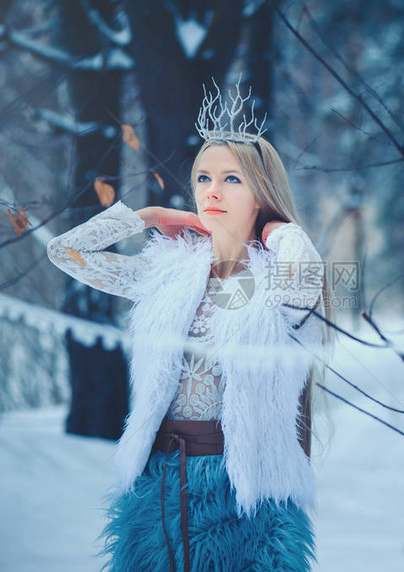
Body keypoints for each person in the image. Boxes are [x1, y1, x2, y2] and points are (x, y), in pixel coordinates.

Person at [46, 83, 334, 572]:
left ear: (262, 194)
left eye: (232, 180)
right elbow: (66, 253)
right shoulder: (169, 273)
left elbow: (307, 280)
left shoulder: (278, 283)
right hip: (157, 489)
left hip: (245, 497)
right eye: (203, 177)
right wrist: (147, 216)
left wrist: (279, 230)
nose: (212, 190)